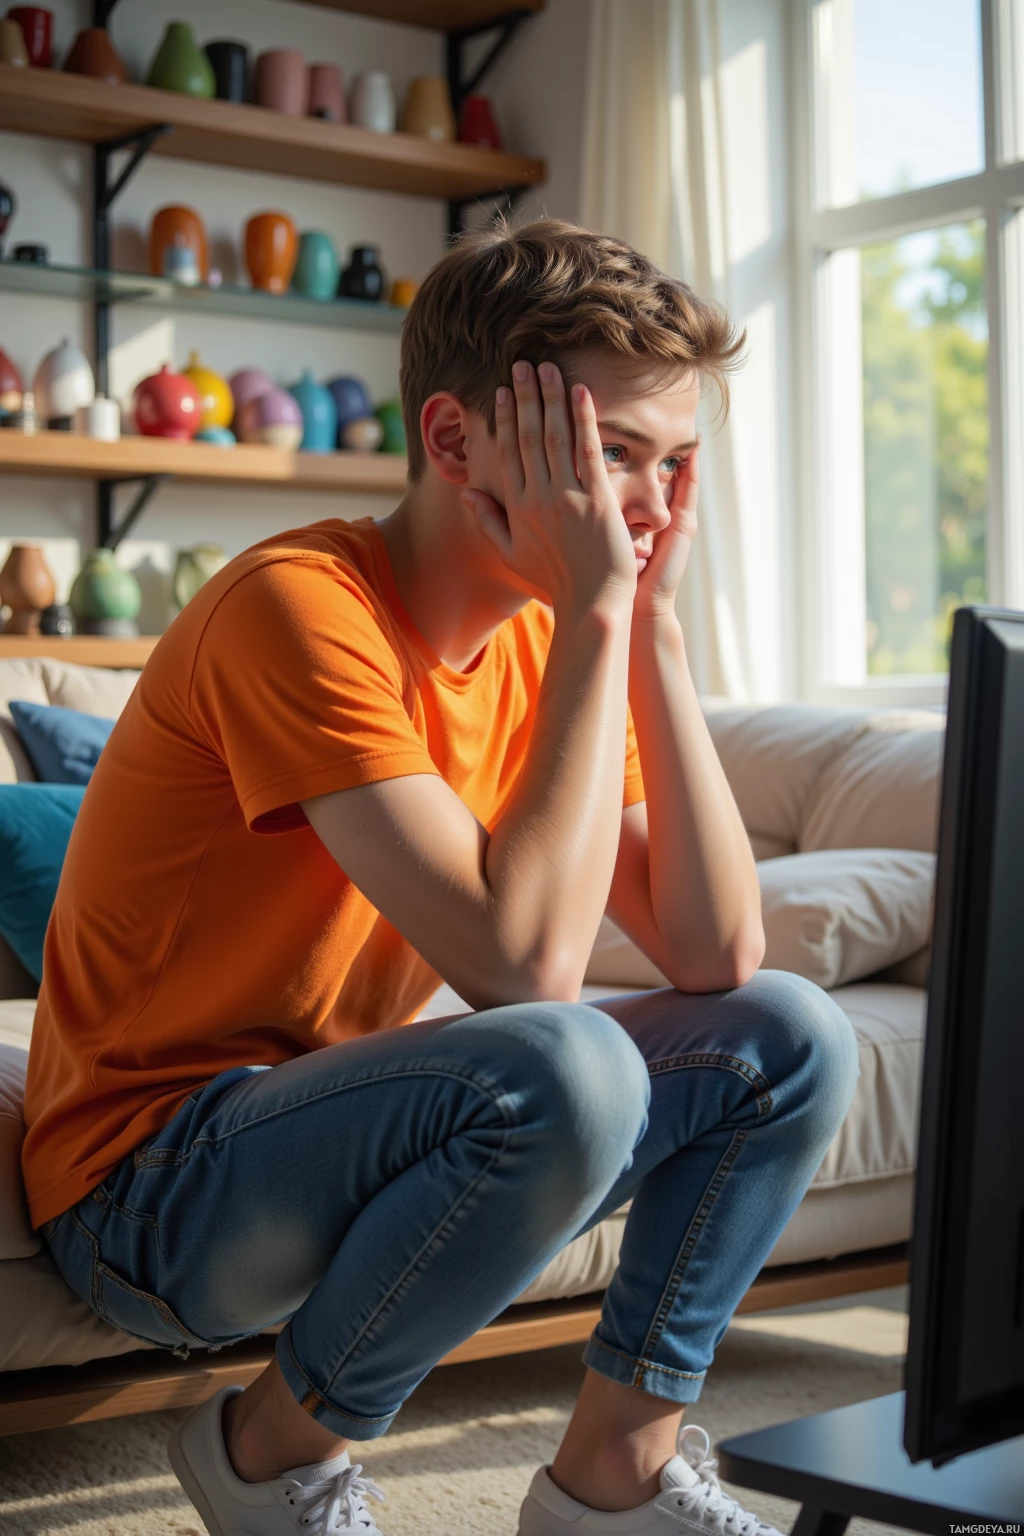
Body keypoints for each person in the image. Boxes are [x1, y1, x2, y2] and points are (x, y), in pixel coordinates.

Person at [22, 220, 859, 1536]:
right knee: (567, 1063)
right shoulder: (299, 609)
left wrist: (657, 630)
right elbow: (524, 972)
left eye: (669, 466)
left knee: (794, 1034)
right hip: (152, 1188)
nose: (643, 506)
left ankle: (612, 1482)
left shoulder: (547, 643)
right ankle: (266, 1456)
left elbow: (716, 955)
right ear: (460, 443)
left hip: (324, 1135)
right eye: (608, 455)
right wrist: (595, 612)